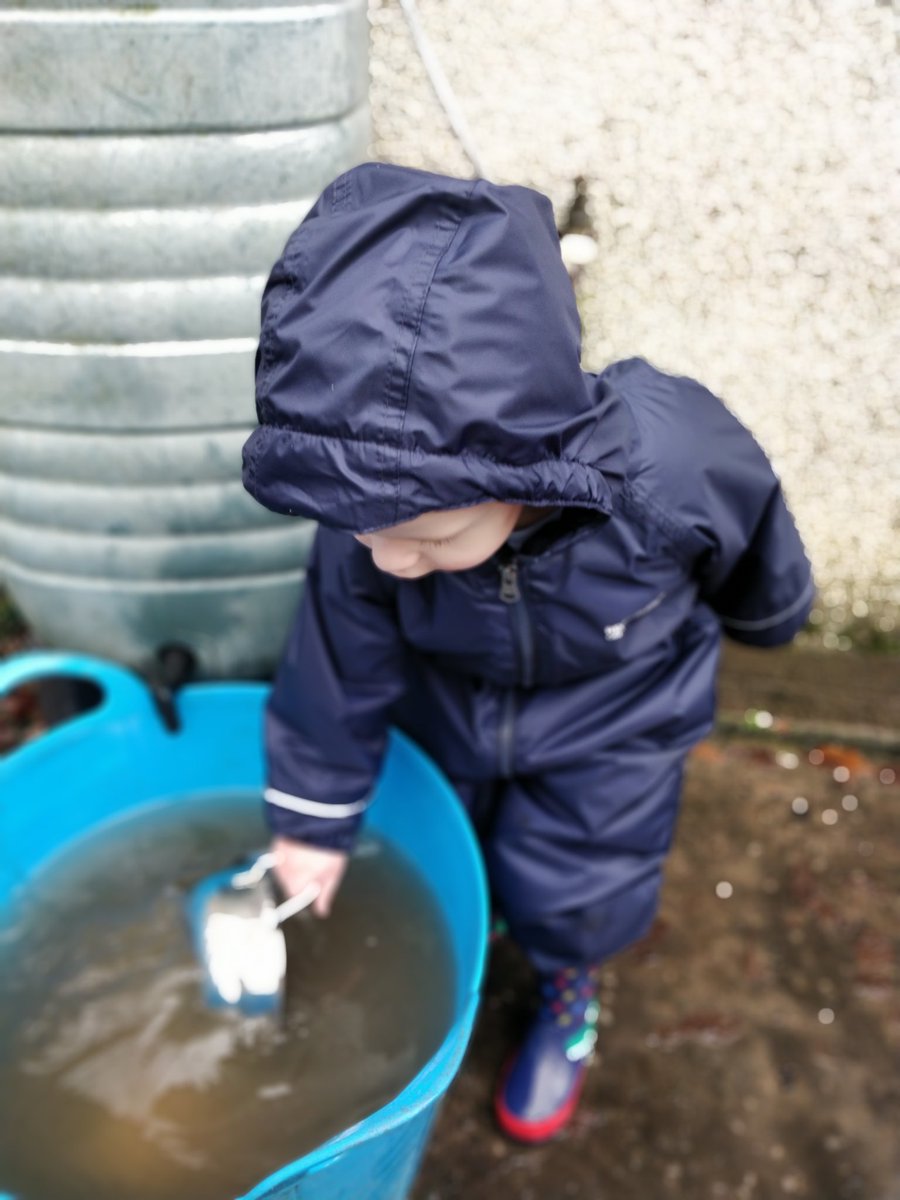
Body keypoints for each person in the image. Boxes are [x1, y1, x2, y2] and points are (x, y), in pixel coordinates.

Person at [241, 162, 814, 1142]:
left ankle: (567, 989)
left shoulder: (672, 466)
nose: (387, 558)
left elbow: (754, 532)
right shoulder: (375, 523)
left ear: (522, 464)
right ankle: (488, 920)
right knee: (450, 841)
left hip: (616, 720)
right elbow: (333, 668)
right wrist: (311, 826)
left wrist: (771, 617)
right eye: (362, 528)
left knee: (576, 879)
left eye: (423, 536)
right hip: (449, 705)